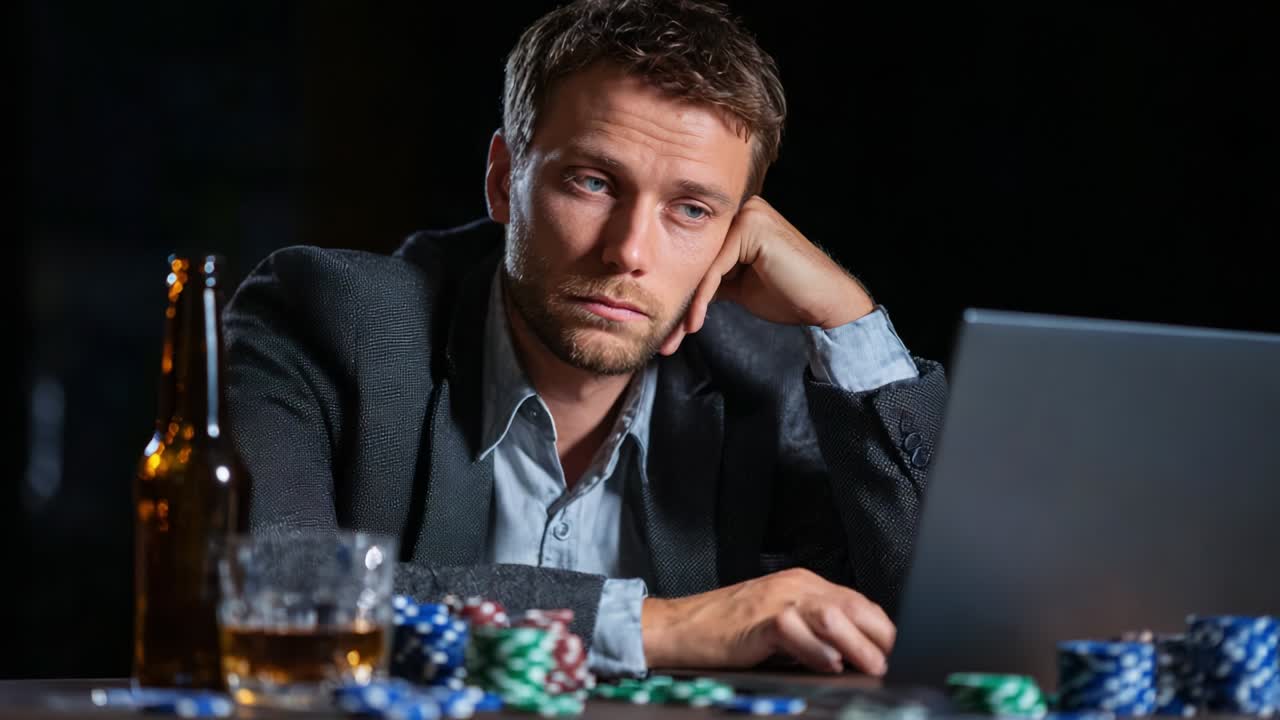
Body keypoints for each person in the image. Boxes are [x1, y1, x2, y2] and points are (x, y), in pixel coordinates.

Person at [224, 0, 947, 678]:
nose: (629, 251)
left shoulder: (770, 373)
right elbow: (274, 589)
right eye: (594, 183)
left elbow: (945, 626)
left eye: (691, 209)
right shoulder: (329, 319)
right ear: (506, 180)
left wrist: (849, 321)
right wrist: (656, 628)